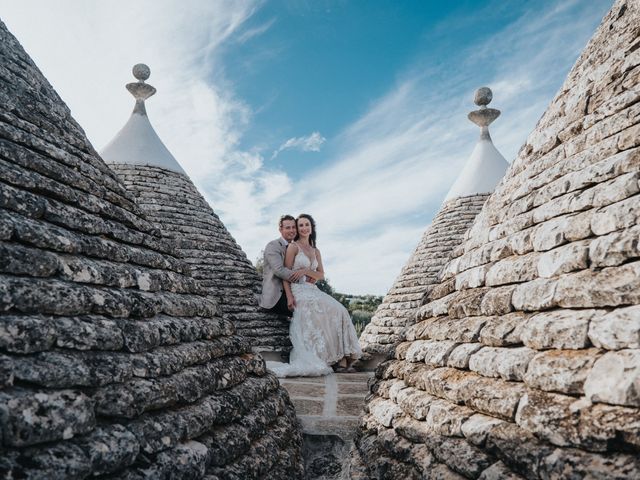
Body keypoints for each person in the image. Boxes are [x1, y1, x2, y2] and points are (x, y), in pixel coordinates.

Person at [267, 214, 362, 377]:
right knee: (319, 313)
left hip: (312, 289)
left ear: (312, 227)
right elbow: (285, 276)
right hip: (298, 290)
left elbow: (321, 274)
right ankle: (333, 361)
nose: (304, 228)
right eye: (301, 225)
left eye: (307, 225)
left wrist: (305, 271)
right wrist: (289, 297)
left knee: (340, 310)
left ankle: (343, 359)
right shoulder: (293, 247)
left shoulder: (315, 250)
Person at [259, 215, 307, 316]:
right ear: (280, 229)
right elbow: (279, 270)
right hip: (277, 295)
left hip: (295, 290)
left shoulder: (297, 247)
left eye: (294, 227)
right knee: (306, 310)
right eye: (288, 228)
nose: (292, 230)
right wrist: (303, 278)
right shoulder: (273, 246)